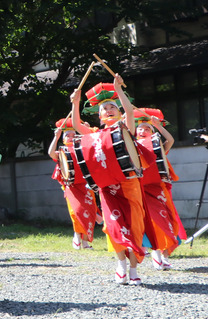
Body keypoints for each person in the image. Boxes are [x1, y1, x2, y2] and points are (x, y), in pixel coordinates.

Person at [71, 73, 145, 285]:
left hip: (129, 185)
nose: (109, 110)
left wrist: (118, 89)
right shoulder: (95, 134)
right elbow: (77, 125)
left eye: (112, 107)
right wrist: (75, 103)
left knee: (134, 227)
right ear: (100, 116)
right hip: (108, 187)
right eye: (105, 109)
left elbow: (129, 111)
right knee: (113, 225)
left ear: (118, 111)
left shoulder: (125, 128)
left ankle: (133, 269)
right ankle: (121, 265)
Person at [133, 108, 186, 270]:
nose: (143, 131)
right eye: (140, 128)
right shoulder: (131, 147)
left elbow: (170, 140)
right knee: (152, 222)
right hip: (141, 191)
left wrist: (158, 126)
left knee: (167, 221)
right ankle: (156, 254)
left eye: (147, 129)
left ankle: (164, 256)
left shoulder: (157, 147)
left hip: (159, 190)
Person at [47, 117, 100, 250]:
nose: (71, 138)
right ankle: (77, 234)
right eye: (67, 136)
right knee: (76, 212)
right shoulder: (62, 151)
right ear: (63, 139)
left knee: (89, 213)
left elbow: (95, 146)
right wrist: (56, 136)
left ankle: (85, 243)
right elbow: (51, 153)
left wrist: (86, 131)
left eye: (73, 135)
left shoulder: (83, 148)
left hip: (86, 185)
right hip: (71, 186)